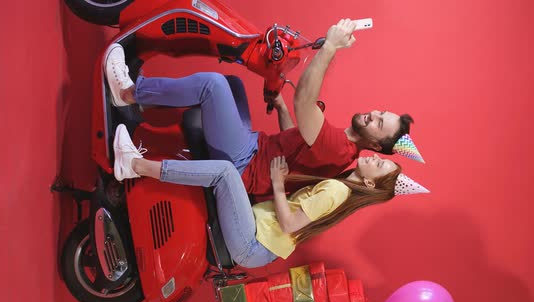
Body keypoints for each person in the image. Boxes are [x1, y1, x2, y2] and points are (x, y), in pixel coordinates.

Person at [104, 19, 414, 196]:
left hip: (244, 164)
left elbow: (304, 99)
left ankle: (129, 93)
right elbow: (297, 146)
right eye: (379, 112)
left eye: (378, 123)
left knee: (213, 85)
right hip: (255, 147)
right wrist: (279, 106)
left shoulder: (338, 147)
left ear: (375, 143)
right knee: (233, 85)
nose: (372, 115)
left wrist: (331, 46)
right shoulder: (336, 146)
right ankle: (146, 109)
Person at [113, 124, 401, 268]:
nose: (375, 160)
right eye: (380, 159)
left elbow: (289, 225)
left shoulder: (338, 190)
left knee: (226, 171)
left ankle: (135, 165)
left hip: (252, 244)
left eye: (380, 167)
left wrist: (277, 183)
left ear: (371, 184)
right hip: (257, 239)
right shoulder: (339, 186)